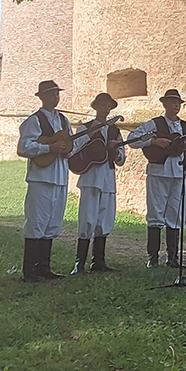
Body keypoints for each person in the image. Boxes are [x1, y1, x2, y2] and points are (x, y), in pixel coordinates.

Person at [126, 89, 186, 268]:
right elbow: (132, 139)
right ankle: (152, 258)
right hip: (159, 172)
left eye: (178, 103)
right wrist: (153, 142)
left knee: (176, 214)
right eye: (172, 102)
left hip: (180, 173)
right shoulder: (154, 124)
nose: (176, 106)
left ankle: (172, 257)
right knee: (155, 212)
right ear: (164, 104)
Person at [17, 80, 75, 282]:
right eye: (51, 94)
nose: (55, 97)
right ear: (41, 97)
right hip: (41, 178)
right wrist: (48, 148)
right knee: (36, 221)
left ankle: (44, 267)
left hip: (59, 177)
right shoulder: (34, 120)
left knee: (52, 223)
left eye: (57, 94)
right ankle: (29, 271)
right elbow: (23, 147)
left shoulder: (64, 121)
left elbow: (72, 144)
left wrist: (68, 151)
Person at [69, 92, 125, 275]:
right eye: (103, 105)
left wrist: (116, 150)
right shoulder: (85, 127)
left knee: (104, 218)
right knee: (87, 218)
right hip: (91, 177)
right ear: (96, 107)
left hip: (107, 177)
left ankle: (98, 261)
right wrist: (89, 134)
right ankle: (79, 263)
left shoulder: (115, 131)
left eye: (108, 106)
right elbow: (73, 150)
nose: (106, 109)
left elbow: (121, 159)